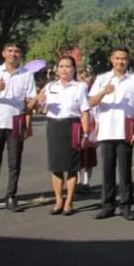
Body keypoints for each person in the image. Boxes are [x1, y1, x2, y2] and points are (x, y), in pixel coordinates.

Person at [0, 43, 37, 213]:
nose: (13, 54)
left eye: (17, 51)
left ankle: (11, 196)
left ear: (20, 55)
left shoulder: (26, 74)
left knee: (14, 162)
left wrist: (33, 110)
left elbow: (29, 102)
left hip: (16, 121)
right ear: (3, 53)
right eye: (10, 51)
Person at [88, 47, 134, 221]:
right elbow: (91, 101)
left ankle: (126, 205)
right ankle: (107, 205)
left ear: (128, 61)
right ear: (111, 59)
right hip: (106, 130)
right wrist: (103, 92)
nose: (121, 61)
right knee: (107, 170)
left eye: (124, 58)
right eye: (117, 58)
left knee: (125, 170)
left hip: (125, 129)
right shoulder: (102, 79)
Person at [37, 56, 90, 216]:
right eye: (61, 66)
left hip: (73, 125)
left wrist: (86, 133)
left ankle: (69, 201)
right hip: (54, 126)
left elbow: (85, 112)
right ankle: (59, 199)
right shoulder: (50, 86)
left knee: (73, 166)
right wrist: (40, 101)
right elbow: (41, 108)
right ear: (57, 69)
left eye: (68, 66)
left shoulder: (80, 87)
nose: (64, 69)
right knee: (56, 166)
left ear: (74, 69)